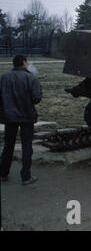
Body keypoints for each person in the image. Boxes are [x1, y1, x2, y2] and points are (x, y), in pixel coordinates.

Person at [0, 55, 42, 185]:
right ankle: (26, 177)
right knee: (27, 146)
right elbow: (36, 99)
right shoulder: (31, 78)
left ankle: (3, 173)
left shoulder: (4, 78)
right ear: (24, 62)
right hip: (27, 117)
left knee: (8, 145)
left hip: (9, 116)